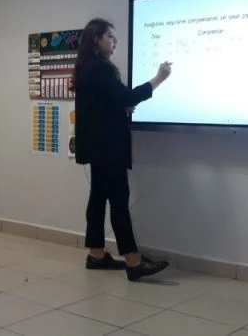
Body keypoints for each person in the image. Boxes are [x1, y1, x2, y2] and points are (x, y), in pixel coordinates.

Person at [71, 17, 172, 281]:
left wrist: (121, 108)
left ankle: (96, 255)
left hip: (98, 147)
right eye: (110, 36)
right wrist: (158, 79)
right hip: (107, 148)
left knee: (98, 199)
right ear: (96, 39)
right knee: (118, 203)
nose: (114, 41)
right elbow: (126, 96)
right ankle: (133, 262)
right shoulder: (99, 69)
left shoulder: (87, 67)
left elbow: (104, 103)